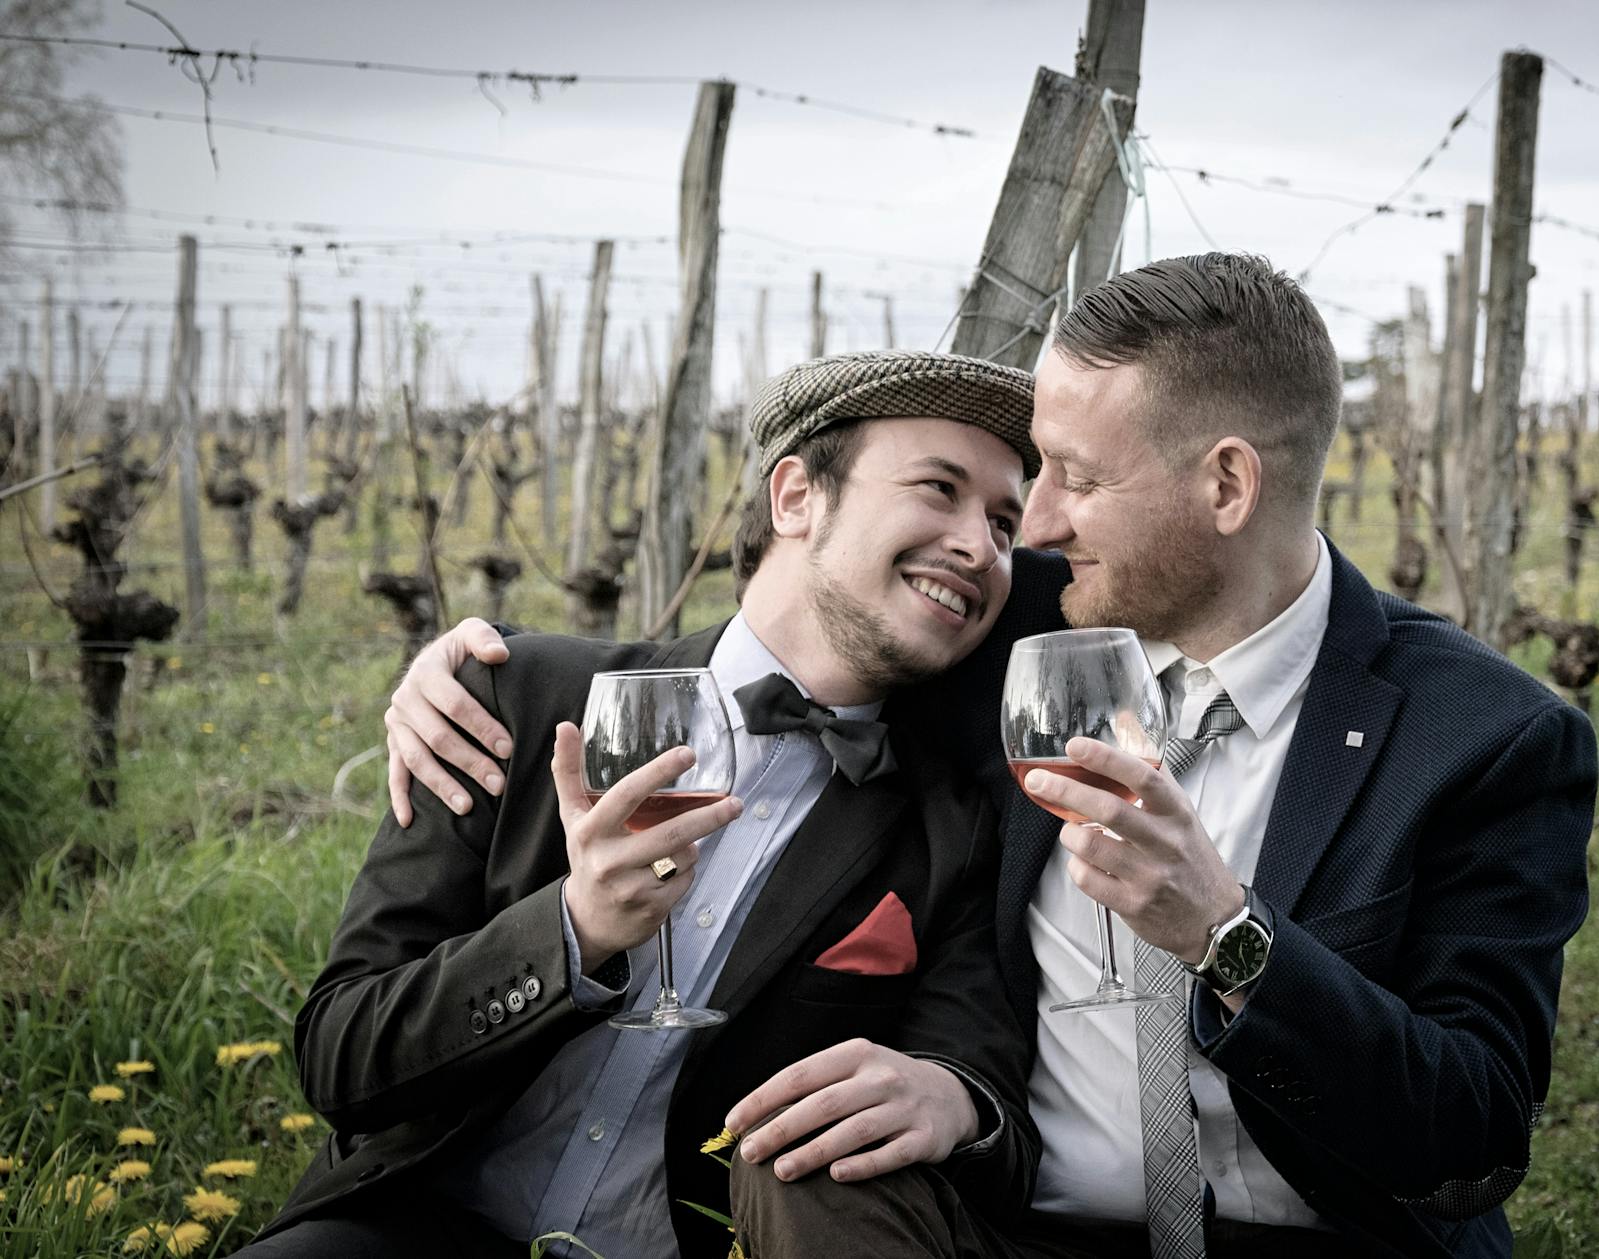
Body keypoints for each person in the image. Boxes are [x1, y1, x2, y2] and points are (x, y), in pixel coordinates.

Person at [389, 254, 1599, 1259]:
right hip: (1017, 1227)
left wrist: (1228, 935)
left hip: (1320, 1237)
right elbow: (805, 619)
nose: (1037, 522)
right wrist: (485, 667)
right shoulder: (1016, 623)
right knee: (815, 1165)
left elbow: (1471, 1135)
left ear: (1227, 483)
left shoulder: (1482, 738)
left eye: (1077, 477)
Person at [245, 351, 1045, 1259]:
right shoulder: (513, 700)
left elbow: (989, 1112)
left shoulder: (951, 830)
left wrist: (954, 1100)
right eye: (939, 488)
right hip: (408, 1231)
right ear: (795, 497)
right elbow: (341, 1059)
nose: (980, 546)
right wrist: (571, 932)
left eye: (1004, 522)